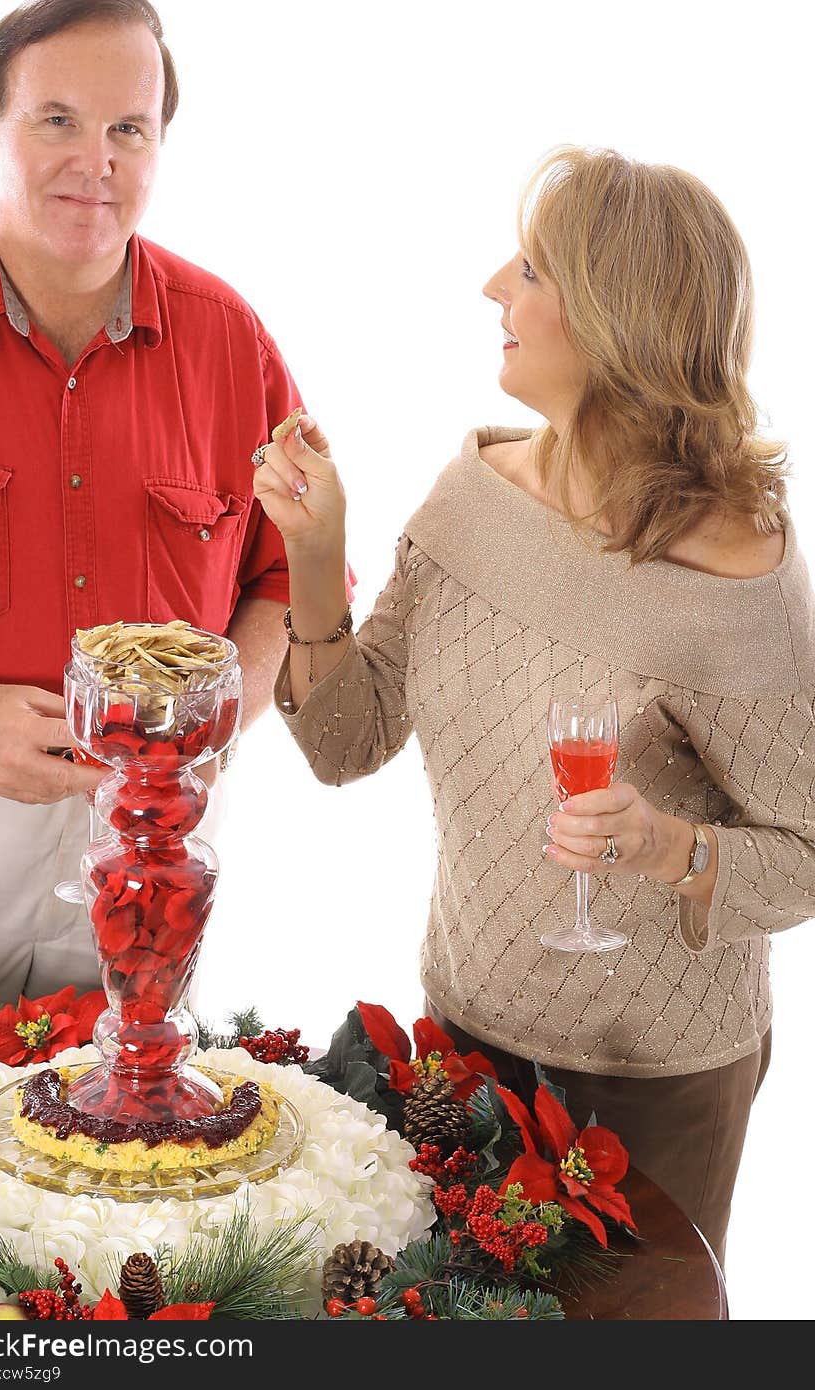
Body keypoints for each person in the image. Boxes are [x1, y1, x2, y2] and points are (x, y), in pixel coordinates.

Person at [253, 146, 815, 1266]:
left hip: (656, 1092)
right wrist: (315, 556)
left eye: (533, 270)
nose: (493, 289)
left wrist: (666, 846)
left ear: (616, 318)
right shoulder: (474, 492)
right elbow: (344, 742)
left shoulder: (737, 574)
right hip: (463, 1047)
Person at [0, 0, 301, 1005]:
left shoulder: (231, 342)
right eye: (57, 119)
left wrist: (224, 718)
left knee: (118, 1137)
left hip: (154, 853)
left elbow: (292, 578)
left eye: (126, 129)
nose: (94, 160)